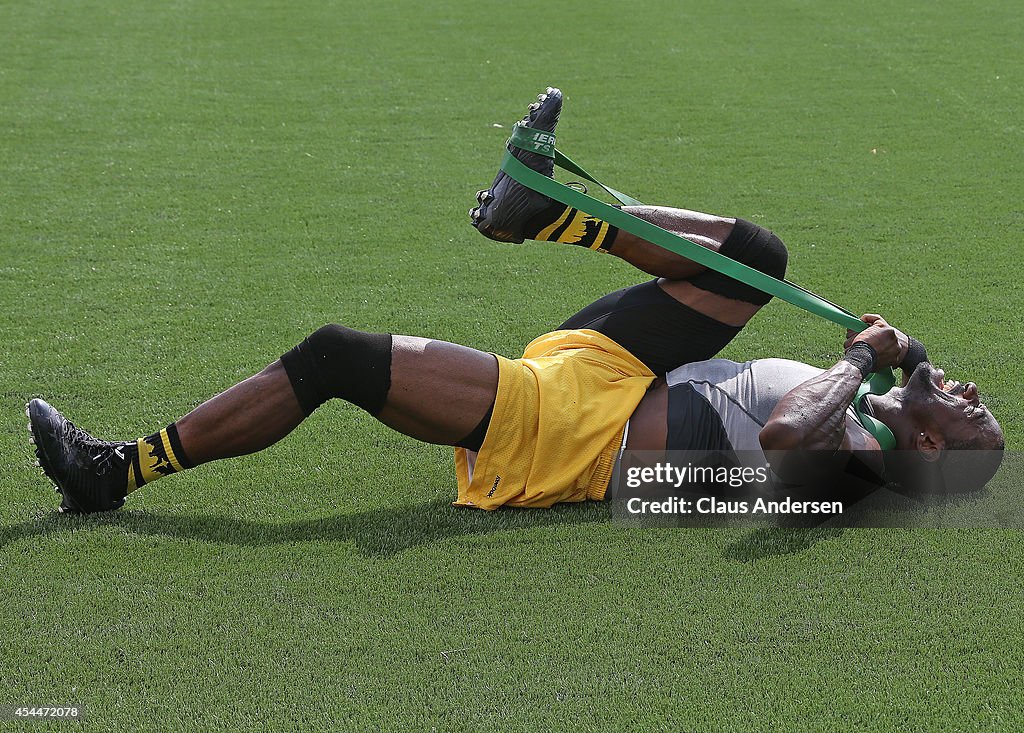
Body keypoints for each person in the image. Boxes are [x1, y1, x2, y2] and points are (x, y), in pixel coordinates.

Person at [27, 88, 1003, 515]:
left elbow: (789, 440)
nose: (964, 392)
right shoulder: (881, 415)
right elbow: (885, 385)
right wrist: (897, 366)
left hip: (576, 435)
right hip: (613, 373)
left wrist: (862, 361)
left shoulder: (856, 466)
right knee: (755, 256)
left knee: (337, 355)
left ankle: (115, 471)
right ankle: (543, 212)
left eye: (967, 414)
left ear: (926, 451)